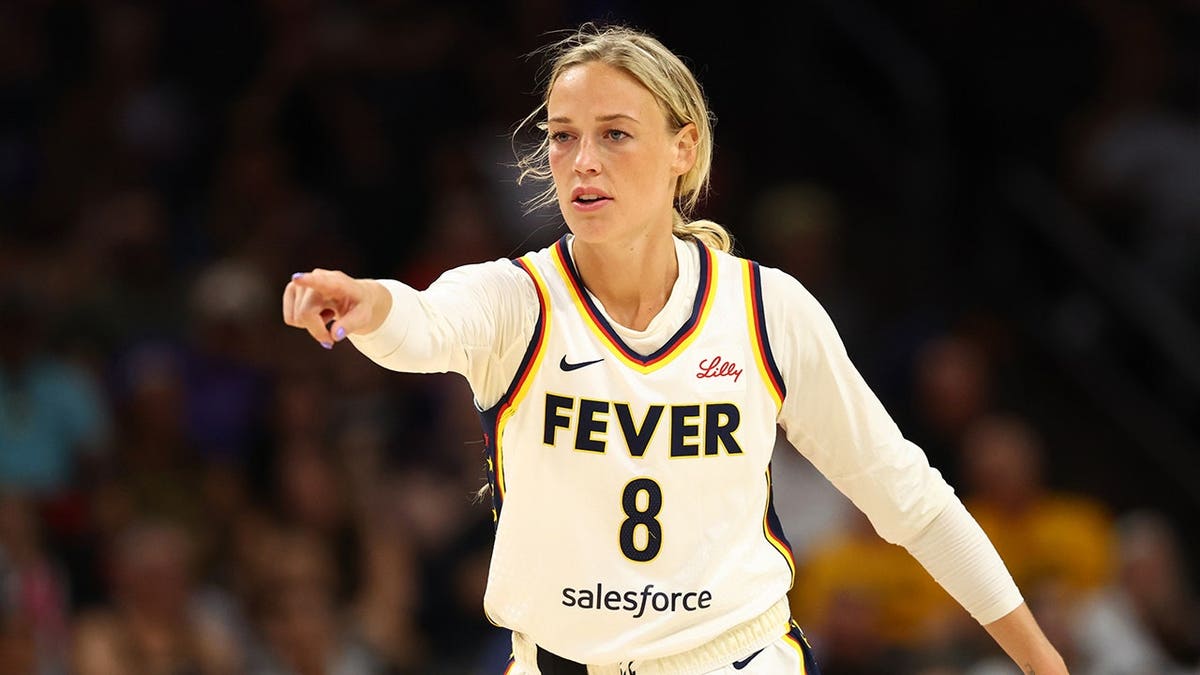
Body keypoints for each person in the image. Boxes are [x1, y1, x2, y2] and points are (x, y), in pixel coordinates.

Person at [282, 23, 1068, 675]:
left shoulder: (765, 310)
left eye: (615, 134)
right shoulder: (516, 298)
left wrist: (1041, 662)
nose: (582, 161)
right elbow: (420, 324)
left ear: (683, 148)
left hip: (734, 658)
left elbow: (911, 499)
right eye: (562, 137)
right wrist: (365, 302)